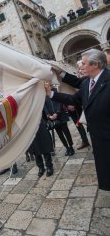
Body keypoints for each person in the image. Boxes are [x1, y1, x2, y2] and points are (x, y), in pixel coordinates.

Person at [45, 49, 110, 191]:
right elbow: (73, 99)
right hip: (98, 138)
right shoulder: (87, 83)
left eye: (84, 63)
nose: (80, 66)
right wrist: (50, 94)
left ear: (96, 64)